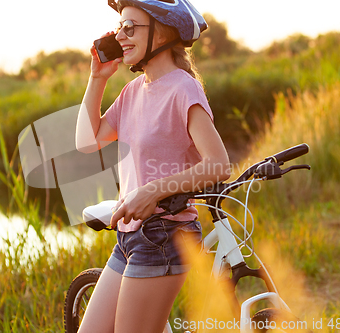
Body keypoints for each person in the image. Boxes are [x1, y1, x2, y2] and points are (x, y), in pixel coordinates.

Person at [75, 1, 230, 332]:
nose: (120, 36)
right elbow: (87, 142)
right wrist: (97, 78)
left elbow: (219, 165)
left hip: (164, 235)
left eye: (130, 27)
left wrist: (153, 190)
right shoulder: (133, 90)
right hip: (129, 237)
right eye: (119, 28)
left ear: (162, 32)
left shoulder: (182, 87)